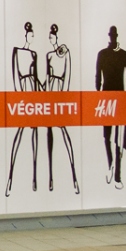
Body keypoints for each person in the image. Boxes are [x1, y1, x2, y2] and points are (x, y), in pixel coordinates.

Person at [95, 25, 126, 189]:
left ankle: (116, 174)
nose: (113, 38)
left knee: (117, 138)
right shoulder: (103, 54)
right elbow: (98, 78)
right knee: (108, 136)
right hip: (108, 98)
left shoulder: (124, 54)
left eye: (114, 36)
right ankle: (111, 166)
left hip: (118, 98)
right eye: (112, 35)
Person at [6, 21, 41, 195]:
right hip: (23, 96)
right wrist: (20, 97)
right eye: (30, 34)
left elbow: (36, 77)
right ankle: (10, 177)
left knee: (35, 133)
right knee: (19, 133)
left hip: (33, 94)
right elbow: (15, 77)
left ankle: (34, 176)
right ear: (26, 35)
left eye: (33, 35)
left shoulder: (34, 54)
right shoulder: (17, 52)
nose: (31, 37)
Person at [44, 24, 79, 194]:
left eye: (52, 36)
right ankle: (50, 176)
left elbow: (67, 75)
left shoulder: (65, 53)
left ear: (56, 36)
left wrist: (63, 98)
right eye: (49, 37)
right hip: (50, 93)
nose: (51, 39)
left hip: (59, 94)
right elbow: (46, 77)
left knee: (64, 132)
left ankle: (74, 175)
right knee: (49, 132)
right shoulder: (49, 55)